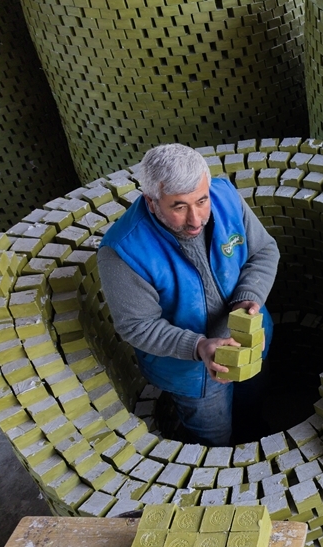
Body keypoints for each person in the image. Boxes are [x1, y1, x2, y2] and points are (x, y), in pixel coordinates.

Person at [99, 143, 279, 447]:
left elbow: (263, 251)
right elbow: (137, 326)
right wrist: (198, 347)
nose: (196, 220)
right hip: (192, 375)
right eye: (179, 207)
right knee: (215, 441)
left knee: (252, 406)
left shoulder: (226, 197)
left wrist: (248, 295)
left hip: (250, 343)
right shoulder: (123, 252)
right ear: (152, 201)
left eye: (202, 201)